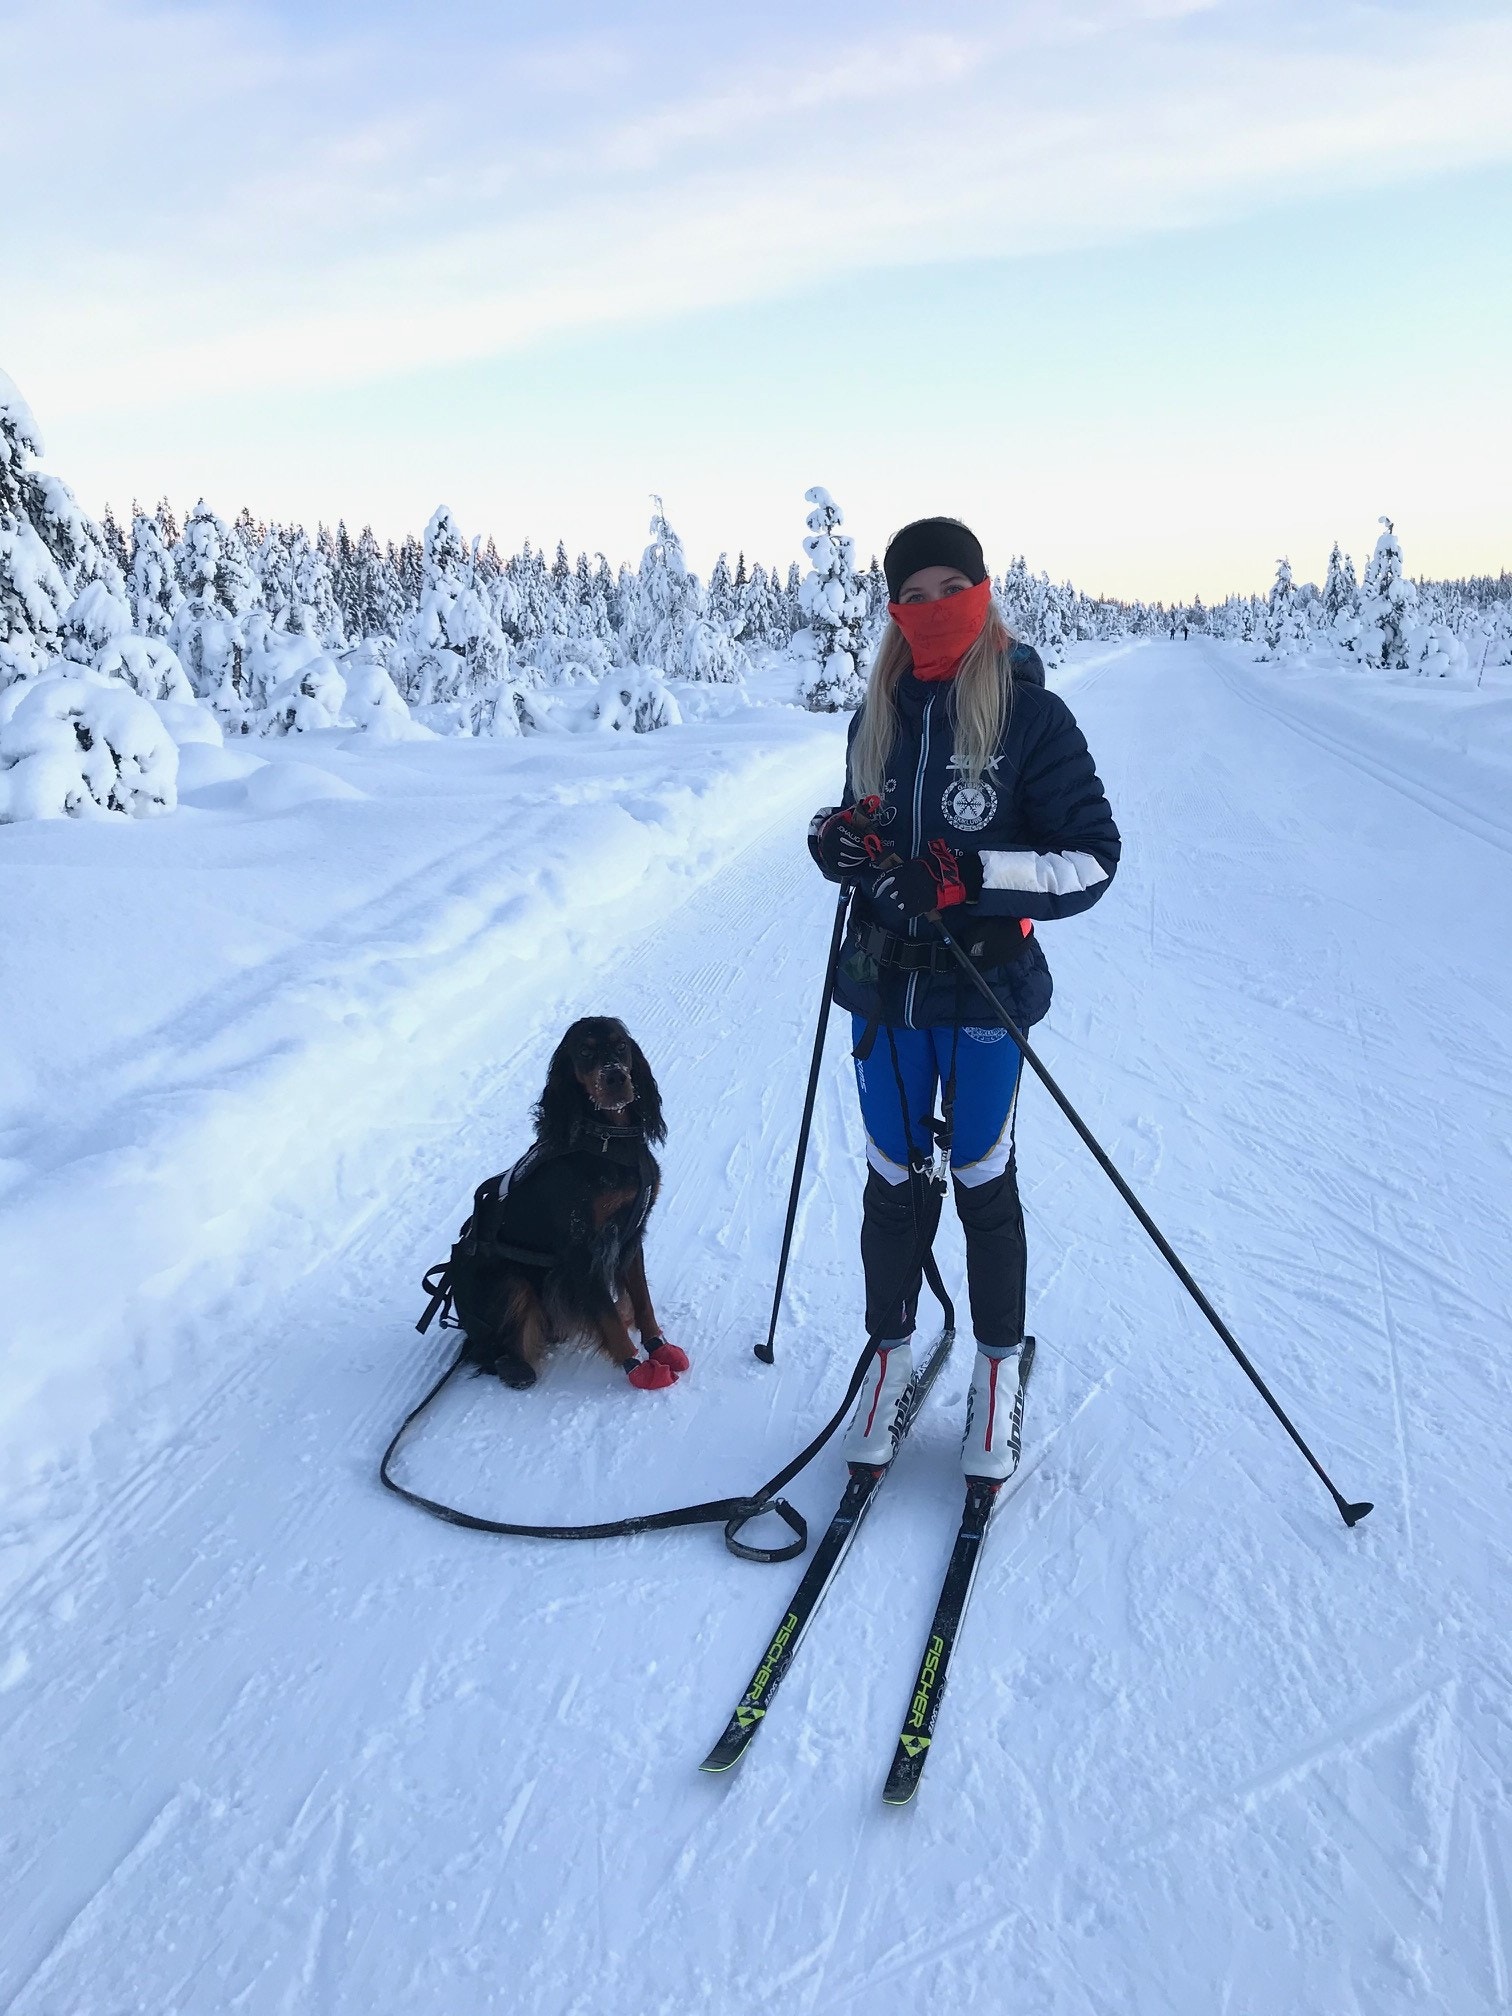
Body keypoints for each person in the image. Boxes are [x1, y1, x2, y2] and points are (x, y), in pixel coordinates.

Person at [808, 516, 1119, 1479]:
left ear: (983, 593)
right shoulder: (879, 712)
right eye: (915, 594)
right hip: (884, 991)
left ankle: (995, 1368)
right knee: (891, 1180)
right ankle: (888, 1357)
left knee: (982, 1175)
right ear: (894, 610)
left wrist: (968, 877)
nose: (935, 608)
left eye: (953, 588)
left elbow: (1090, 861)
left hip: (984, 991)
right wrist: (837, 839)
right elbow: (865, 821)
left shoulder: (1033, 717)